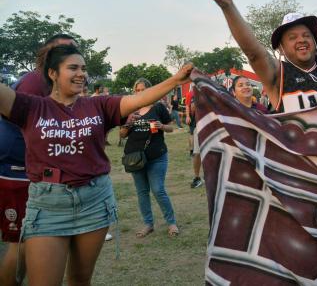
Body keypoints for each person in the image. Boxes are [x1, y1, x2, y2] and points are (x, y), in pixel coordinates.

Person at [0, 44, 193, 286]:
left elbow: (139, 99)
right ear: (52, 73)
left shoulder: (99, 105)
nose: (81, 73)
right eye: (73, 68)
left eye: (83, 68)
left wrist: (175, 79)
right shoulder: (31, 107)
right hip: (48, 205)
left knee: (80, 280)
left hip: (94, 201)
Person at [0, 33, 76, 286]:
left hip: (28, 169)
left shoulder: (50, 84)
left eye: (73, 50)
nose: (68, 54)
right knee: (21, 243)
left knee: (31, 239)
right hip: (17, 169)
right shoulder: (34, 83)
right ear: (46, 56)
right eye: (61, 50)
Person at [120, 78, 179, 238]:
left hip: (156, 155)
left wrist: (162, 126)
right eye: (137, 90)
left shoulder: (158, 107)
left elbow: (171, 128)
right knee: (142, 192)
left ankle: (171, 222)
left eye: (143, 89)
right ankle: (148, 224)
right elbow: (122, 134)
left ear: (149, 90)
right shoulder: (130, 109)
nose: (140, 92)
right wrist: (128, 123)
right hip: (135, 158)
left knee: (158, 190)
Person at [185, 84, 203, 188]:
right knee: (197, 153)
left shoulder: (209, 94)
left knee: (201, 153)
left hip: (209, 127)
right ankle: (197, 177)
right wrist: (188, 116)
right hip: (198, 126)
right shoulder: (192, 95)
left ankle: (200, 177)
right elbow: (190, 107)